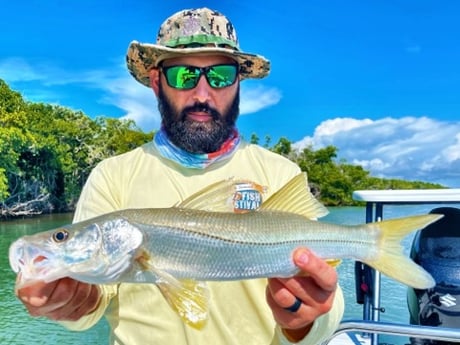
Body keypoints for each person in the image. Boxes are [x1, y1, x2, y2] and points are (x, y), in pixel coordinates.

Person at [16, 7, 344, 345]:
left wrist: (303, 321)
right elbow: (94, 299)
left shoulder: (281, 174)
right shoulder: (112, 176)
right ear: (157, 83)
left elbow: (328, 297)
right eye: (183, 76)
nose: (202, 94)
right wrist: (71, 302)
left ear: (238, 84)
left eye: (219, 76)